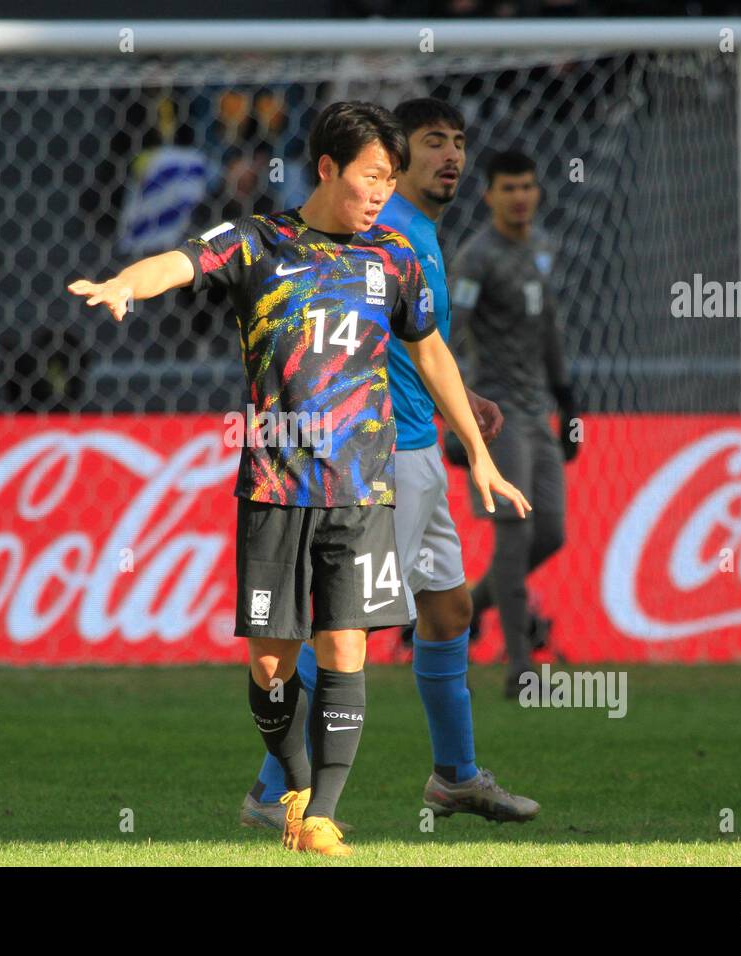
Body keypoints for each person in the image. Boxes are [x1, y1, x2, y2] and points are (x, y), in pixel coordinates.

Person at [68, 102, 530, 856]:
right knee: (274, 666)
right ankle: (286, 784)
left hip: (362, 488)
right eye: (371, 176)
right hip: (277, 489)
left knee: (348, 650)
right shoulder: (261, 242)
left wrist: (476, 448)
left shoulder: (394, 258)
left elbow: (433, 352)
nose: (383, 191)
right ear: (327, 168)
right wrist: (127, 283)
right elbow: (182, 261)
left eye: (389, 177)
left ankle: (319, 812)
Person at [240, 98, 542, 833]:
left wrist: (462, 403)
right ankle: (272, 790)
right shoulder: (382, 230)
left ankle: (455, 776)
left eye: (459, 143)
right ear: (393, 159)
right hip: (385, 457)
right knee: (347, 632)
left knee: (449, 608)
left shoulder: (420, 235)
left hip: (419, 452)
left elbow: (415, 343)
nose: (452, 157)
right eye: (433, 143)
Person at [449, 149, 580, 699]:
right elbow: (447, 335)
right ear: (490, 196)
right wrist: (458, 417)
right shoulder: (476, 258)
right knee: (515, 531)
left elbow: (548, 325)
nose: (520, 196)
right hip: (495, 411)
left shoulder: (544, 250)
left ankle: (465, 613)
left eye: (527, 186)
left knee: (551, 531)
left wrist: (568, 399)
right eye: (509, 188)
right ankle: (521, 668)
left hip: (537, 411)